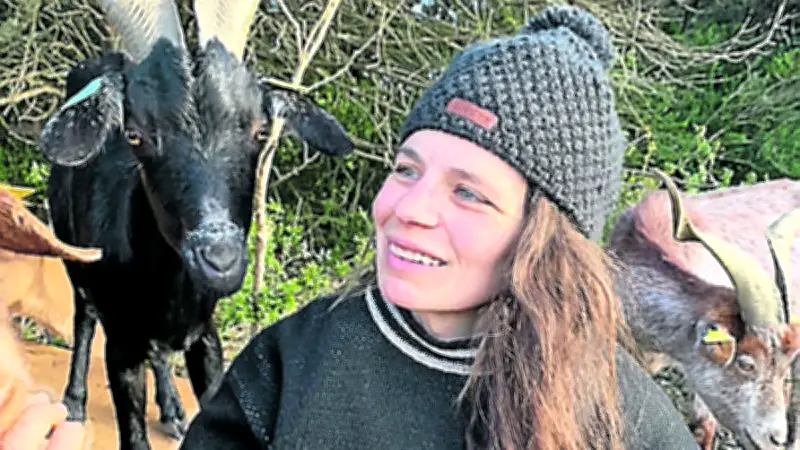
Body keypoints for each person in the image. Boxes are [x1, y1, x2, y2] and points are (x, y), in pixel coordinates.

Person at [178, 5, 698, 450]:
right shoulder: (297, 357)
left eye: (468, 193)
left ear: (545, 241)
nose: (409, 208)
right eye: (407, 170)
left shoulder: (623, 417)